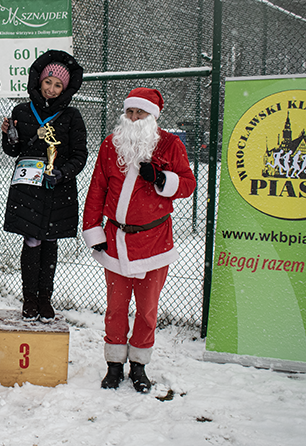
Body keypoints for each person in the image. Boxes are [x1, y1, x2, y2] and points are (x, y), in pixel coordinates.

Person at [82, 87, 196, 393]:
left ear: (152, 116)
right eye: (130, 112)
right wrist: (93, 229)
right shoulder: (111, 144)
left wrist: (160, 179)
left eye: (140, 113)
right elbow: (97, 188)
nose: (133, 118)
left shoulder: (170, 145)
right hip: (115, 238)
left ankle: (140, 365)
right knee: (115, 308)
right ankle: (114, 365)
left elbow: (187, 184)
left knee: (147, 310)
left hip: (154, 241)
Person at [1, 50, 87, 322]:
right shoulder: (21, 111)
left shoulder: (72, 116)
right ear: (39, 81)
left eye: (58, 85)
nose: (51, 88)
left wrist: (62, 173)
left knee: (49, 241)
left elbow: (80, 155)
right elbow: (12, 151)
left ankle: (45, 300)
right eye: (48, 82)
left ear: (65, 88)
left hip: (57, 188)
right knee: (31, 240)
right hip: (27, 187)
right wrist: (8, 136)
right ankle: (29, 300)